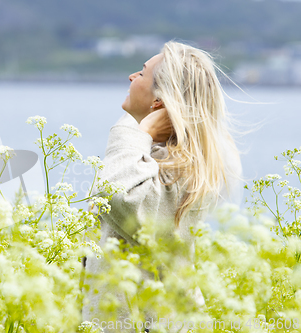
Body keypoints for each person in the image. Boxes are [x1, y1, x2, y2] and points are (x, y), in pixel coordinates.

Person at [81, 41, 244, 332]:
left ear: (158, 101)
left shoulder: (180, 168)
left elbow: (124, 201)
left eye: (142, 74)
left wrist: (136, 132)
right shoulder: (157, 157)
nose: (132, 77)